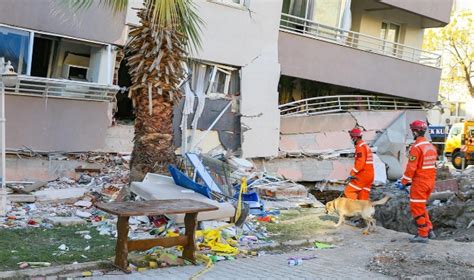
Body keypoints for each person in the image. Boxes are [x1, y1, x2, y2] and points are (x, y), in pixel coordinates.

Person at [398, 120, 437, 243]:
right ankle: (429, 230)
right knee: (421, 206)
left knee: (416, 208)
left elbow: (411, 168)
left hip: (420, 183)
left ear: (415, 131)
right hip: (430, 182)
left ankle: (423, 234)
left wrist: (404, 182)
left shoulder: (416, 147)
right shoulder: (431, 146)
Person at [343, 127, 374, 200]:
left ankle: (354, 209)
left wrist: (352, 173)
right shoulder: (366, 146)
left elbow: (360, 163)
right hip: (370, 176)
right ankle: (363, 210)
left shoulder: (360, 147)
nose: (351, 139)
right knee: (363, 197)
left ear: (355, 138)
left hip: (363, 175)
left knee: (348, 191)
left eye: (351, 137)